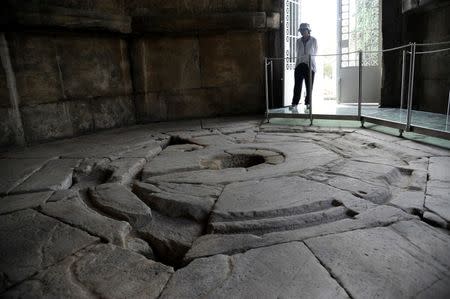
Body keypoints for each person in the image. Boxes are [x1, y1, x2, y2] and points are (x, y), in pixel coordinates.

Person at [290, 23, 318, 112]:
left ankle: (308, 103)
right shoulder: (298, 41)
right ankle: (294, 103)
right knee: (297, 85)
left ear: (308, 30)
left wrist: (309, 60)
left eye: (304, 30)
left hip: (310, 65)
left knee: (309, 86)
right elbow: (297, 52)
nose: (302, 32)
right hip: (299, 64)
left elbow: (315, 51)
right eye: (301, 30)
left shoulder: (314, 40)